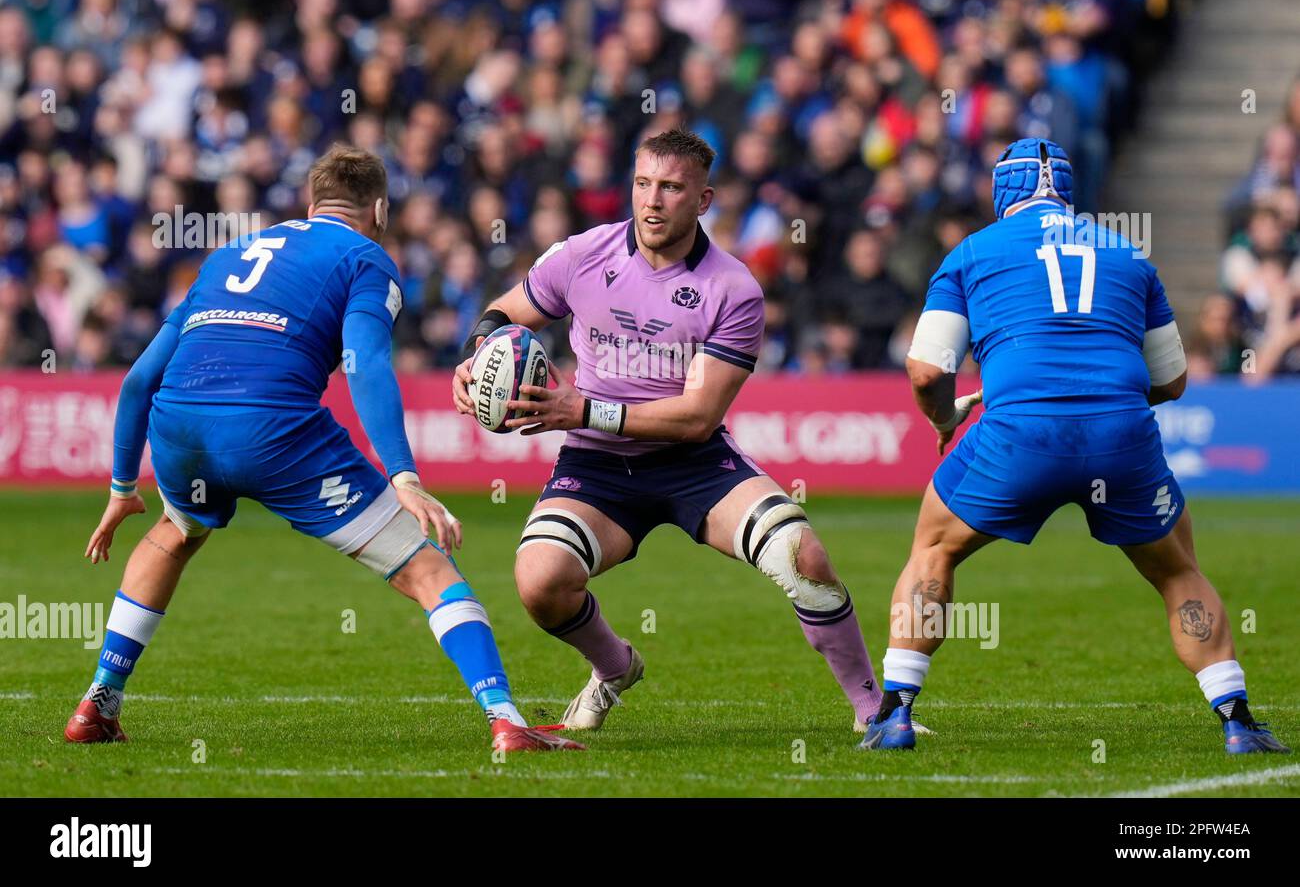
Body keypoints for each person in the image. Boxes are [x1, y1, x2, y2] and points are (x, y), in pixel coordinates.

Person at [66, 144, 582, 754]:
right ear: (380, 209)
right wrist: (404, 476)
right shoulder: (367, 258)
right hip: (272, 431)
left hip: (178, 424)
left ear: (310, 203)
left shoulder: (226, 254)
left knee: (174, 534)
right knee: (427, 568)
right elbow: (364, 364)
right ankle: (505, 720)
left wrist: (122, 489)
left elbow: (137, 379)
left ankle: (99, 700)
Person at [861, 137, 1289, 755]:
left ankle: (896, 712)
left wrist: (943, 418)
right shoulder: (1128, 254)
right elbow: (1171, 379)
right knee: (1177, 571)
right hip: (1120, 433)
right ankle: (1236, 719)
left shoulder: (972, 253)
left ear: (1000, 190)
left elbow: (927, 371)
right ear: (1069, 188)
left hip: (1019, 436)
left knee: (933, 548)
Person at [452, 128, 884, 734]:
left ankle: (874, 712)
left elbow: (697, 417)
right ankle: (614, 665)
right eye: (642, 184)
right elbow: (501, 313)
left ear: (703, 200)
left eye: (672, 188)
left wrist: (582, 411)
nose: (652, 201)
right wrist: (474, 358)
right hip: (598, 467)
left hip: (695, 462)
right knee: (539, 582)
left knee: (802, 555)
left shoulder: (733, 289)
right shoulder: (579, 255)